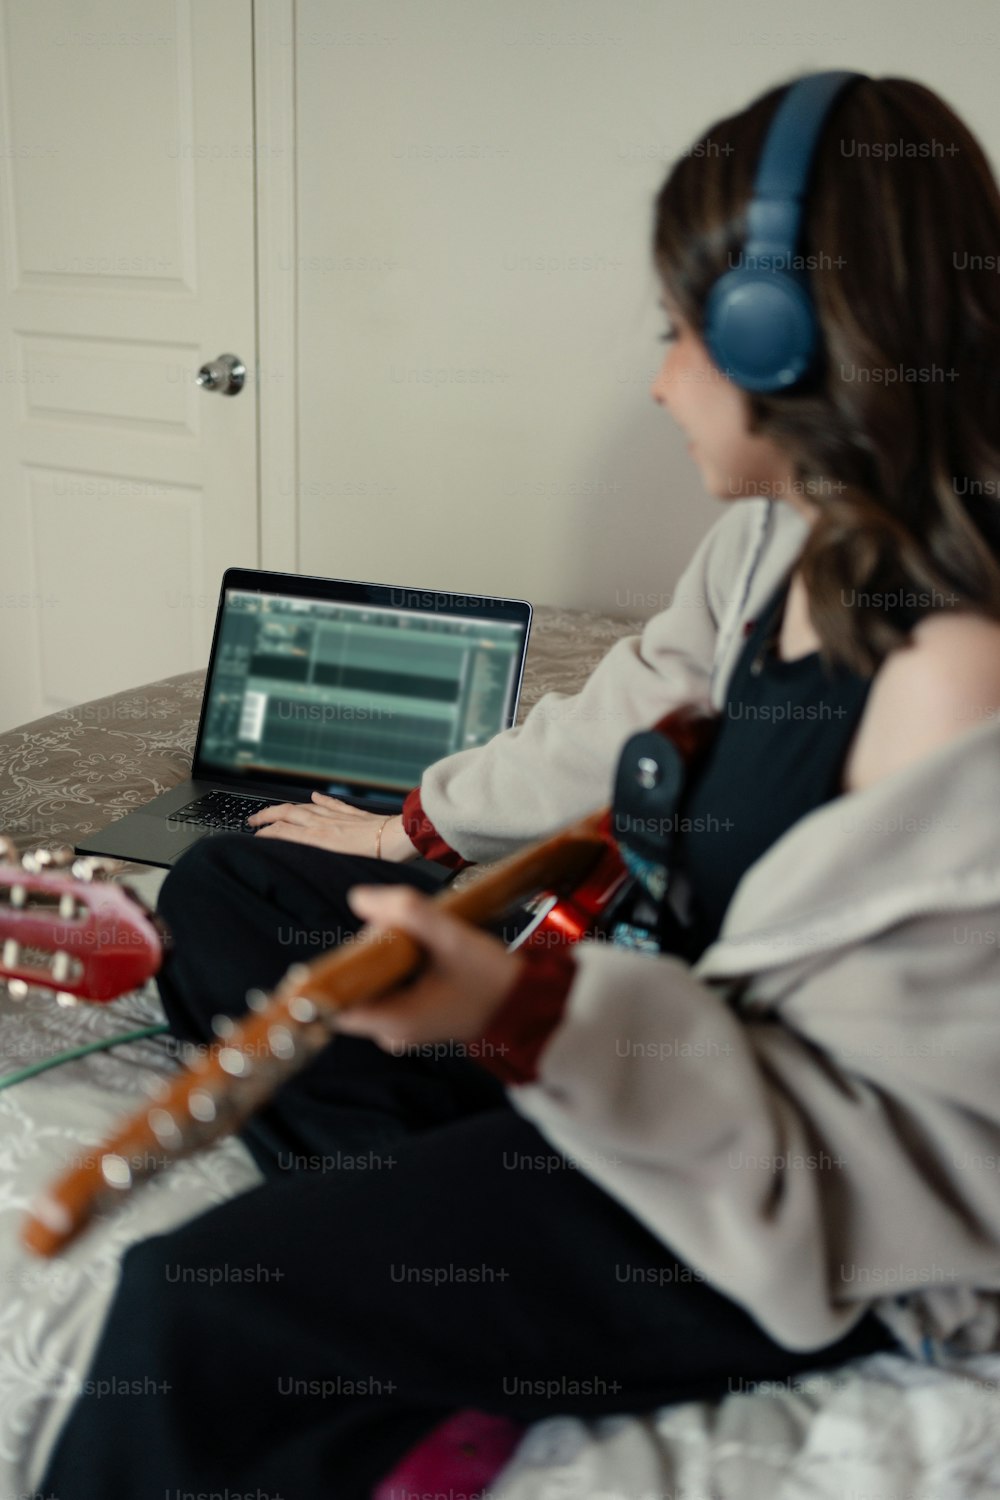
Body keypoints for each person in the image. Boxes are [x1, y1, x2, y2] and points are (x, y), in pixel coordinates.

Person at [41, 70, 1000, 1500]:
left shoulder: (952, 685)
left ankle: (414, 1293)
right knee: (237, 883)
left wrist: (520, 1011)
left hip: (785, 1198)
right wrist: (407, 828)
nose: (663, 376)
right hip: (659, 1055)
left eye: (682, 331)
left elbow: (846, 1144)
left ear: (785, 339)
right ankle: (412, 1240)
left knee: (194, 1304)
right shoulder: (777, 540)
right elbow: (624, 706)